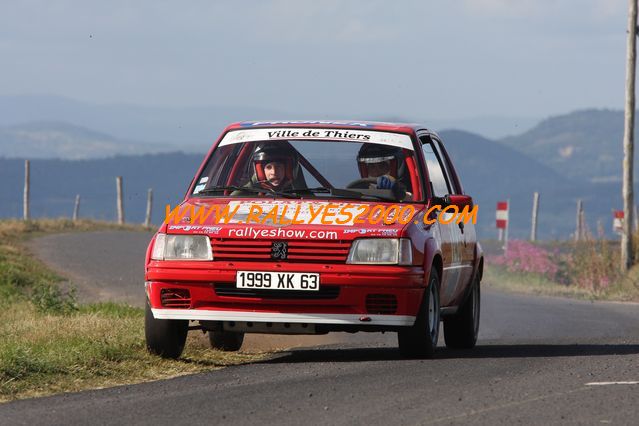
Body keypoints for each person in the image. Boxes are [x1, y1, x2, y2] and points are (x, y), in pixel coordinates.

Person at [232, 143, 303, 195]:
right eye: (269, 167)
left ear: (288, 170)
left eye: (278, 167)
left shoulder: (301, 196)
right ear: (261, 172)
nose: (274, 172)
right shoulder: (245, 198)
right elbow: (230, 199)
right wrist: (255, 181)